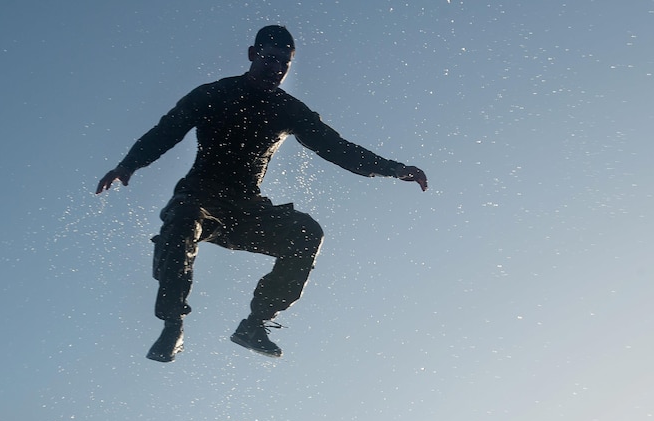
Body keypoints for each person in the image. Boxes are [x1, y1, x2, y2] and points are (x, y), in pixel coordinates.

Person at [97, 25, 428, 362]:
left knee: (306, 231)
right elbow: (167, 129)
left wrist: (392, 168)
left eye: (283, 64)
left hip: (247, 210)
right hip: (198, 199)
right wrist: (129, 165)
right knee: (182, 220)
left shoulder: (289, 110)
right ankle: (172, 324)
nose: (275, 69)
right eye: (270, 59)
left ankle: (255, 324)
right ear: (253, 54)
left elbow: (335, 147)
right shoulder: (212, 94)